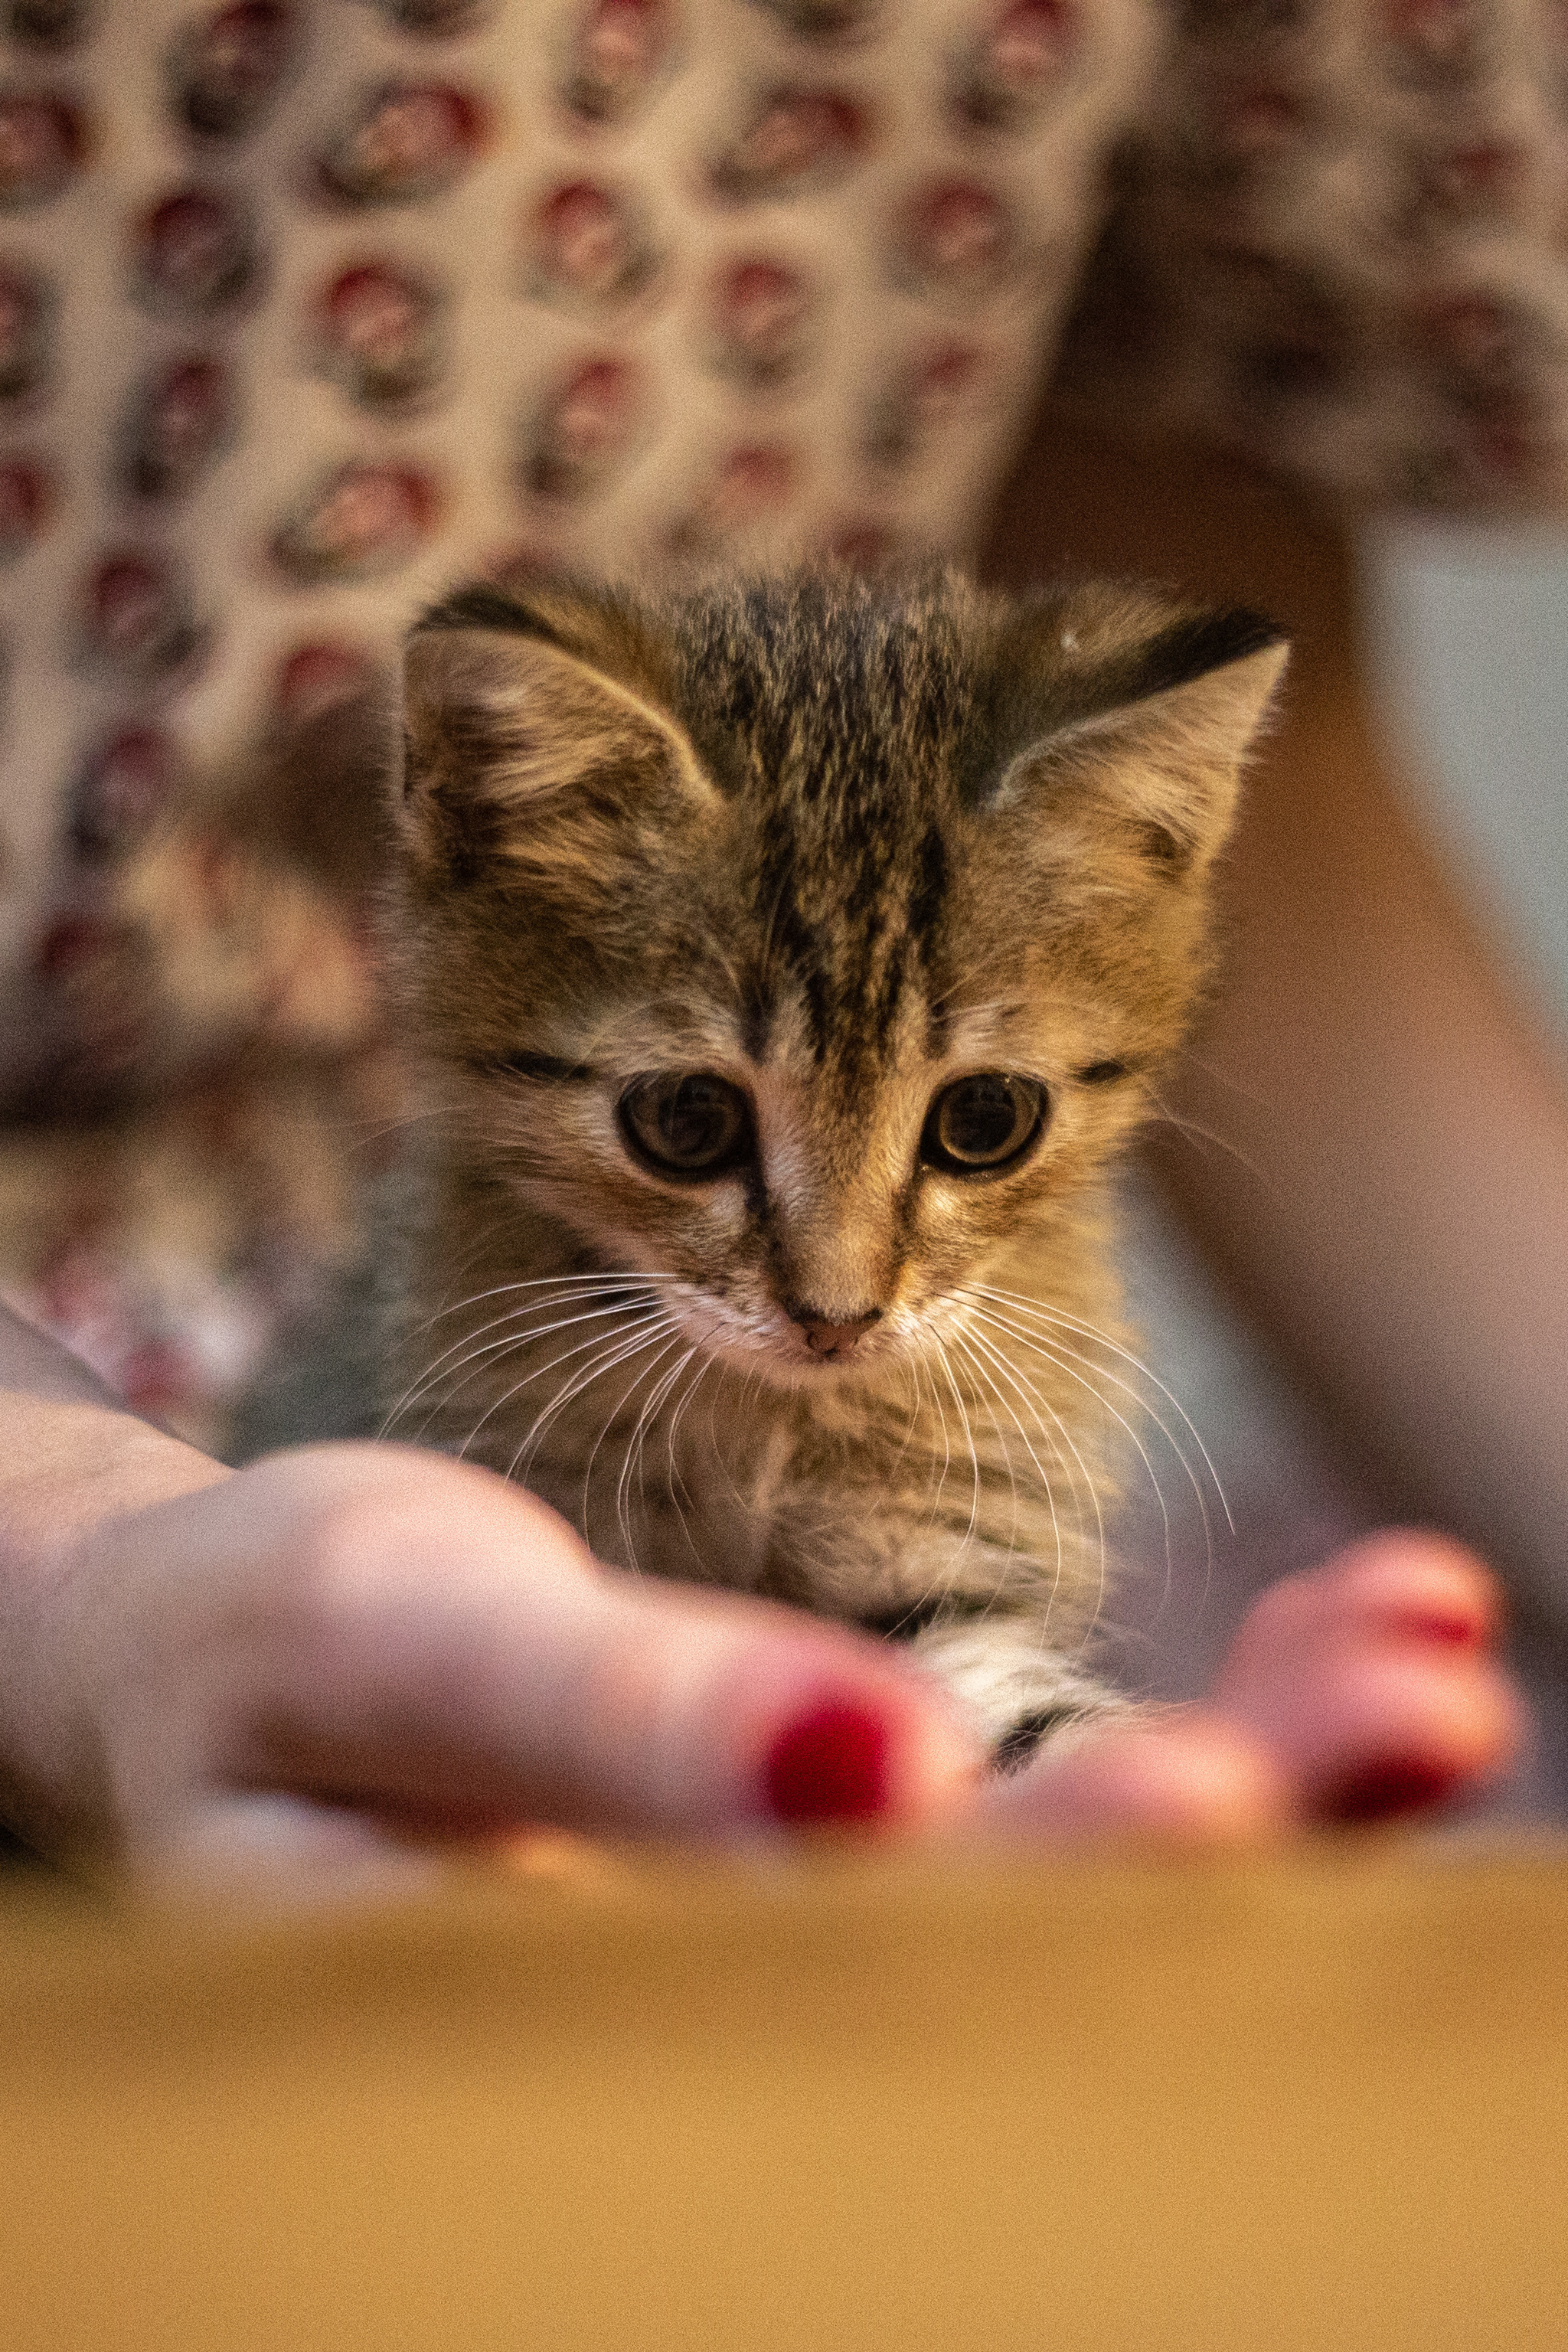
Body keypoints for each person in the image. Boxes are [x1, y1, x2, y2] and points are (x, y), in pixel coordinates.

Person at [0, 0, 1560, 1867]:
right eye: (687, 1122)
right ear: (481, 841)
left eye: (975, 1125)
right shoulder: (477, 1314)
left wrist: (1019, 1752)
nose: (838, 1292)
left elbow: (1156, 471)